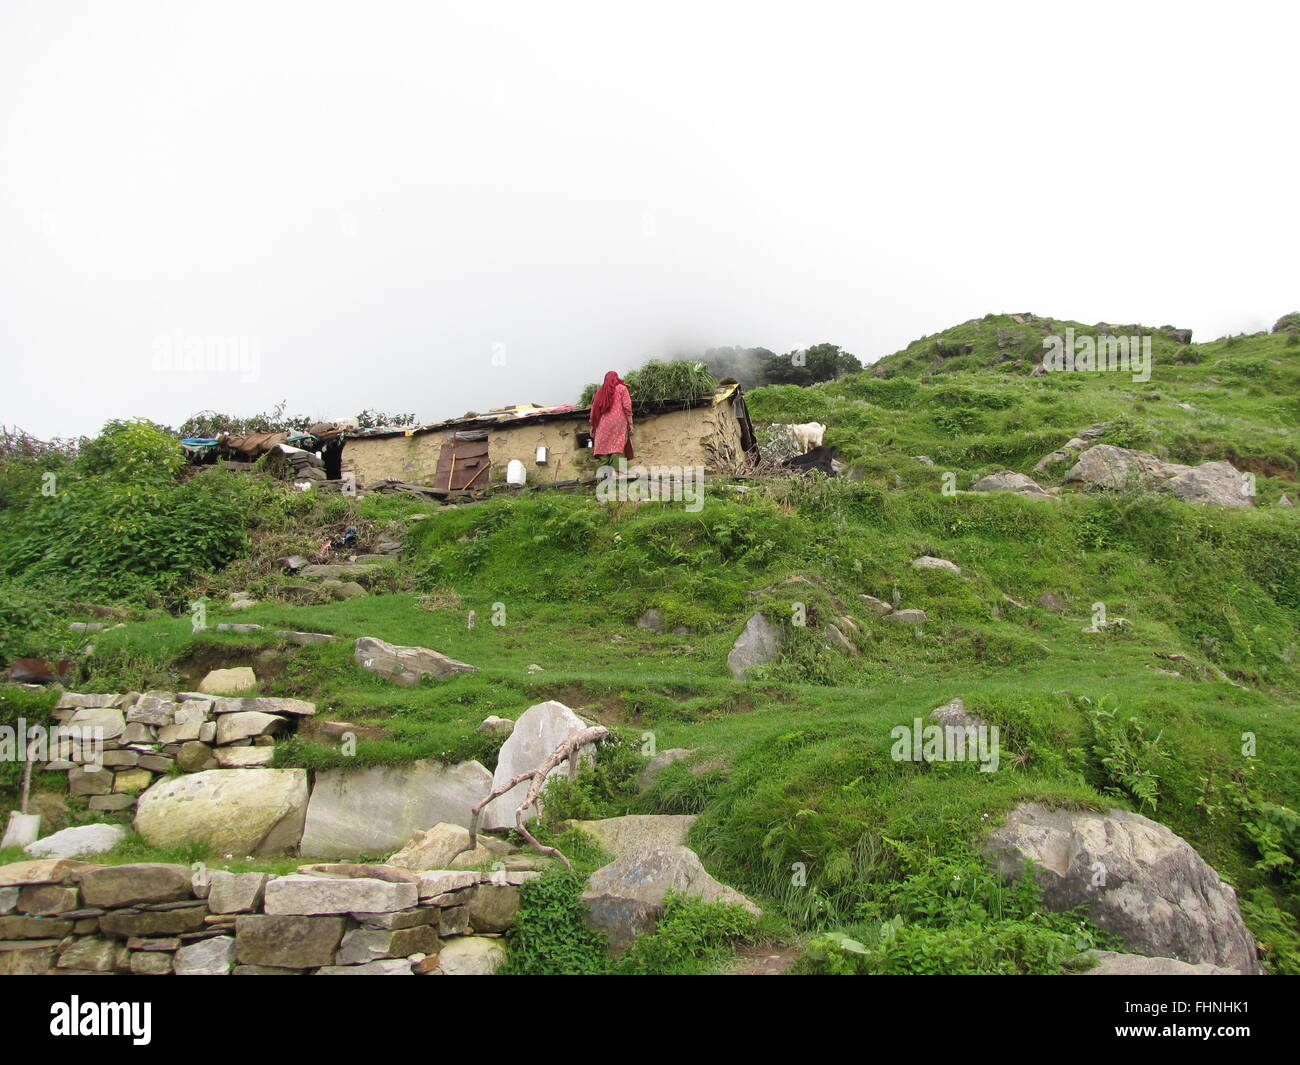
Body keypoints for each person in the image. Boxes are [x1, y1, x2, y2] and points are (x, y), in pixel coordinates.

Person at [589, 370, 634, 461]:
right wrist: (630, 424)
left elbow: (593, 411)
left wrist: (593, 427)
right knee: (619, 446)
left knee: (603, 449)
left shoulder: (599, 392)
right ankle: (619, 472)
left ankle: (605, 473)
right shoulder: (622, 388)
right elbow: (627, 407)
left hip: (601, 425)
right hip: (618, 423)